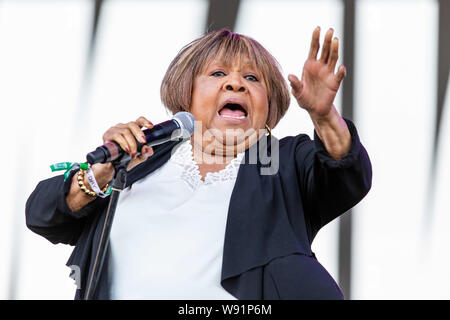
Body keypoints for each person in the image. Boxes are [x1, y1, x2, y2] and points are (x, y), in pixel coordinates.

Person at [25, 27, 372, 300]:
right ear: (186, 95)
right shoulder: (139, 158)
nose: (235, 82)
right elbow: (42, 215)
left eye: (252, 79)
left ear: (271, 104)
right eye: (217, 73)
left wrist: (324, 117)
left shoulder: (286, 164)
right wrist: (101, 173)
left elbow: (346, 173)